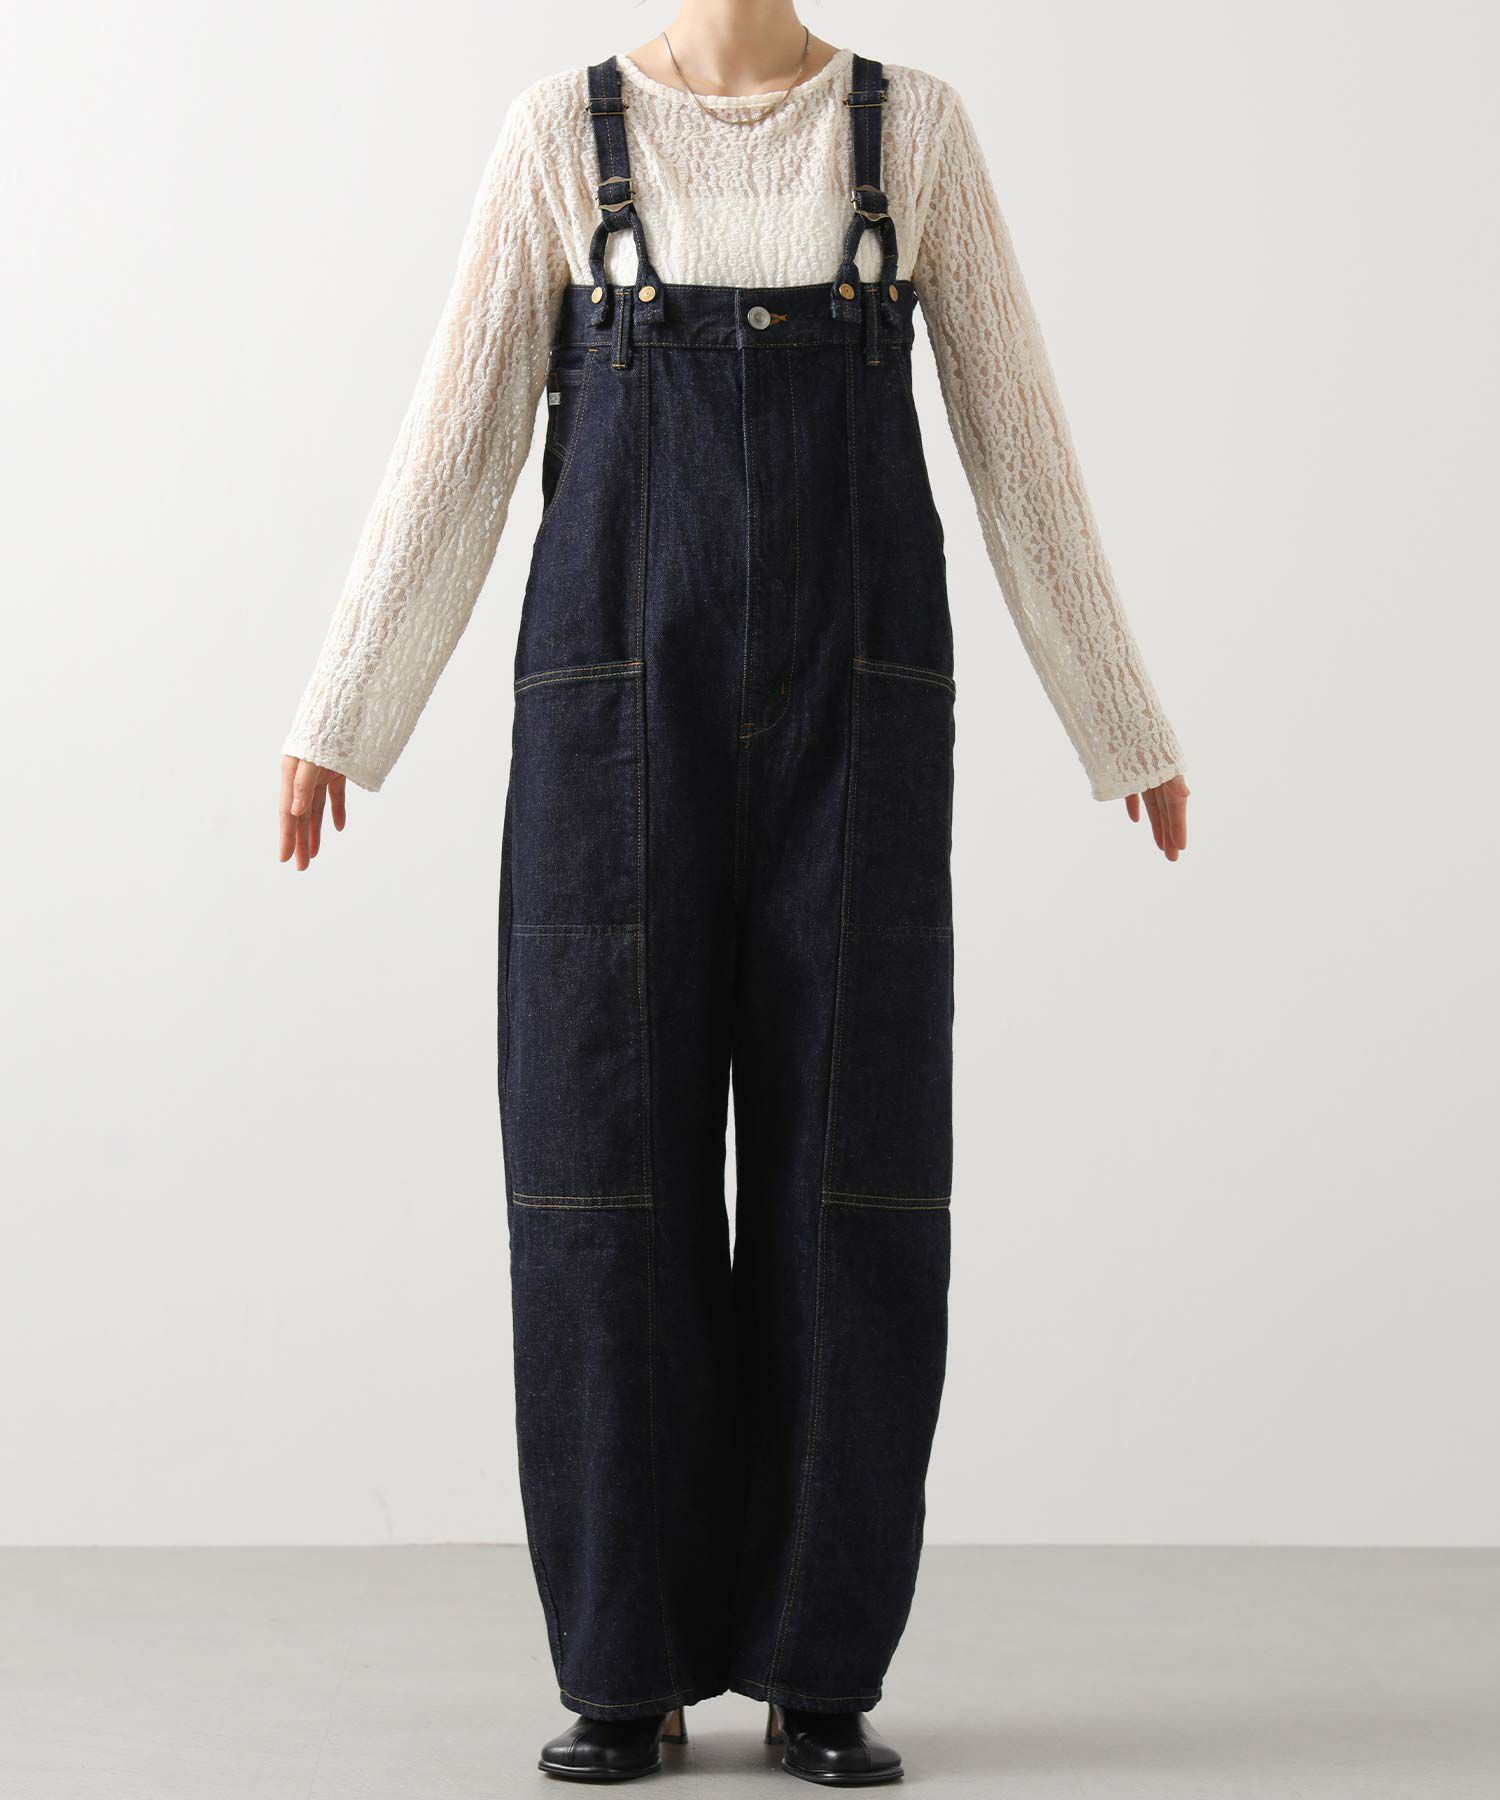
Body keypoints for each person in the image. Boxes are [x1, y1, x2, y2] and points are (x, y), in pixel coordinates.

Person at [277, 9, 1189, 1786]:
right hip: (614, 714)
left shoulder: (915, 134)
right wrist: (341, 712)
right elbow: (457, 440)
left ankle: (816, 1665)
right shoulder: (560, 136)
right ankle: (625, 1667)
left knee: (855, 1166)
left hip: (858, 710)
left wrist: (1120, 718)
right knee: (597, 1170)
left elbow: (1018, 444)